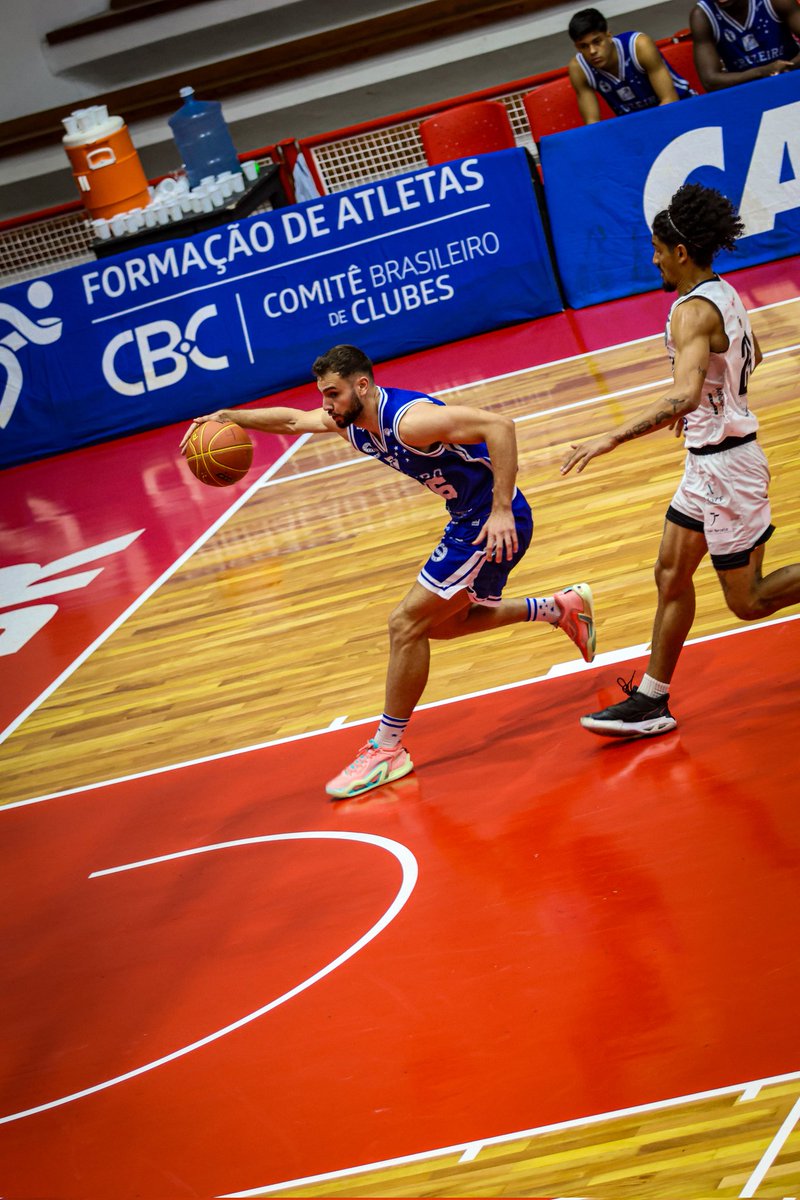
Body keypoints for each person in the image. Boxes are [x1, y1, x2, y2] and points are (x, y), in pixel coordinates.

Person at [181, 345, 596, 797]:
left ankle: (387, 749)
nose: (326, 405)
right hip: (465, 518)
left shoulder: (409, 421)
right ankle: (559, 608)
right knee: (441, 626)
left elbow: (500, 426)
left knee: (404, 625)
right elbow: (292, 421)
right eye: (323, 395)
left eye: (333, 394)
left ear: (362, 386)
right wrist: (231, 417)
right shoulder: (353, 425)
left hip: (490, 522)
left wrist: (500, 510)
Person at [560, 182, 800, 739]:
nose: (654, 259)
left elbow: (685, 394)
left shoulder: (691, 312)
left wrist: (611, 437)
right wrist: (710, 403)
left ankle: (653, 698)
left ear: (681, 252)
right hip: (707, 465)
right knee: (670, 574)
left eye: (658, 249)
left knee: (748, 601)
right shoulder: (725, 294)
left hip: (729, 471)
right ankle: (652, 699)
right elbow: (751, 357)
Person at [567, 7, 695, 123]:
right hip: (636, 126)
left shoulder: (639, 46)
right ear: (577, 48)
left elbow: (670, 100)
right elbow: (592, 124)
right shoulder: (579, 69)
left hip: (683, 107)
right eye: (583, 46)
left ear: (609, 36)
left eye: (597, 42)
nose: (592, 51)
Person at [690, 0, 800, 91]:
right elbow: (710, 81)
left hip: (794, 78)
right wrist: (762, 72)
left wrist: (788, 67)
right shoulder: (701, 15)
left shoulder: (775, 2)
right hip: (746, 90)